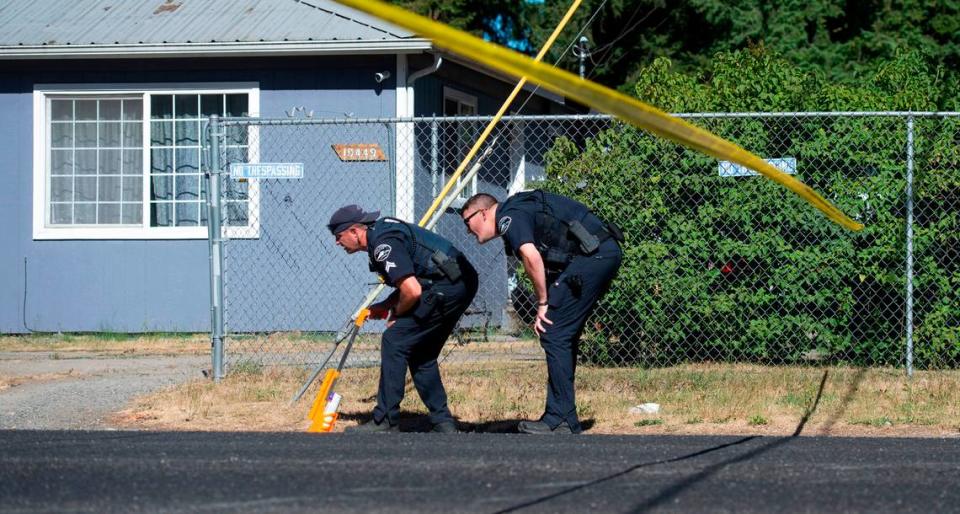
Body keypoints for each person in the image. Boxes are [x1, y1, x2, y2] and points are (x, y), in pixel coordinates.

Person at [461, 190, 622, 434]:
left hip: (594, 255)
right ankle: (561, 416)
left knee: (553, 330)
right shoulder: (516, 210)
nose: (467, 229)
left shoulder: (508, 217)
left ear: (483, 213)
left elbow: (530, 255)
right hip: (598, 253)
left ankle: (561, 419)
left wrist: (543, 301)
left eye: (467, 221)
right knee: (561, 334)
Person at [328, 205, 478, 433]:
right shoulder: (384, 232)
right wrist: (387, 305)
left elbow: (413, 290)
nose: (337, 243)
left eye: (339, 237)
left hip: (447, 286)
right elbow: (415, 277)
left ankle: (385, 420)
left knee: (394, 340)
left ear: (355, 232)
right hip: (457, 281)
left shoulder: (382, 245)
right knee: (421, 352)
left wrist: (396, 313)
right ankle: (443, 422)